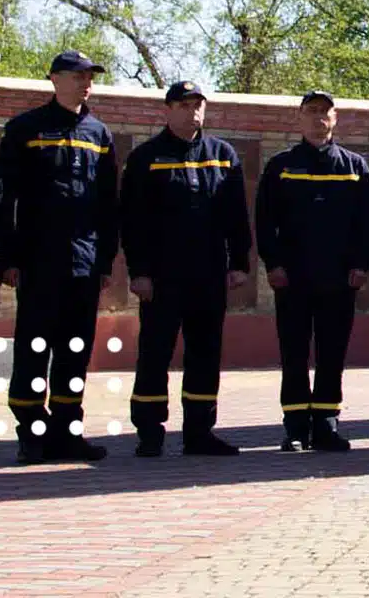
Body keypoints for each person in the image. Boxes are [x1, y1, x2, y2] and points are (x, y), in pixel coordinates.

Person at [0, 51, 118, 464]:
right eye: (77, 76)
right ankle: (32, 433)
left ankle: (68, 433)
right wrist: (7, 258)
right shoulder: (25, 129)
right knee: (33, 349)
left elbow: (107, 204)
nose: (86, 83)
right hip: (38, 259)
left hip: (83, 264)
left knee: (74, 351)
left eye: (90, 77)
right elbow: (3, 198)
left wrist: (104, 262)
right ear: (54, 79)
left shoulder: (99, 133)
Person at [120, 81, 252, 458]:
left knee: (205, 352)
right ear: (168, 109)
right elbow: (132, 221)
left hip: (209, 272)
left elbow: (236, 217)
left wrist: (239, 262)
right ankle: (149, 431)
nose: (193, 111)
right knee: (155, 352)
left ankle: (199, 431)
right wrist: (139, 271)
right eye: (184, 104)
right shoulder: (147, 157)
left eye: (198, 104)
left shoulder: (223, 155)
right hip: (162, 276)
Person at [255, 90, 369, 452]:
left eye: (325, 112)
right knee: (293, 352)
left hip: (340, 278)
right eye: (311, 111)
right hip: (292, 277)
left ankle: (326, 424)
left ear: (335, 118)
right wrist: (273, 264)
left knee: (332, 353)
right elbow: (265, 221)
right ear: (299, 118)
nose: (318, 118)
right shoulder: (281, 165)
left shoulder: (354, 167)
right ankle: (294, 427)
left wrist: (360, 265)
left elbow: (368, 222)